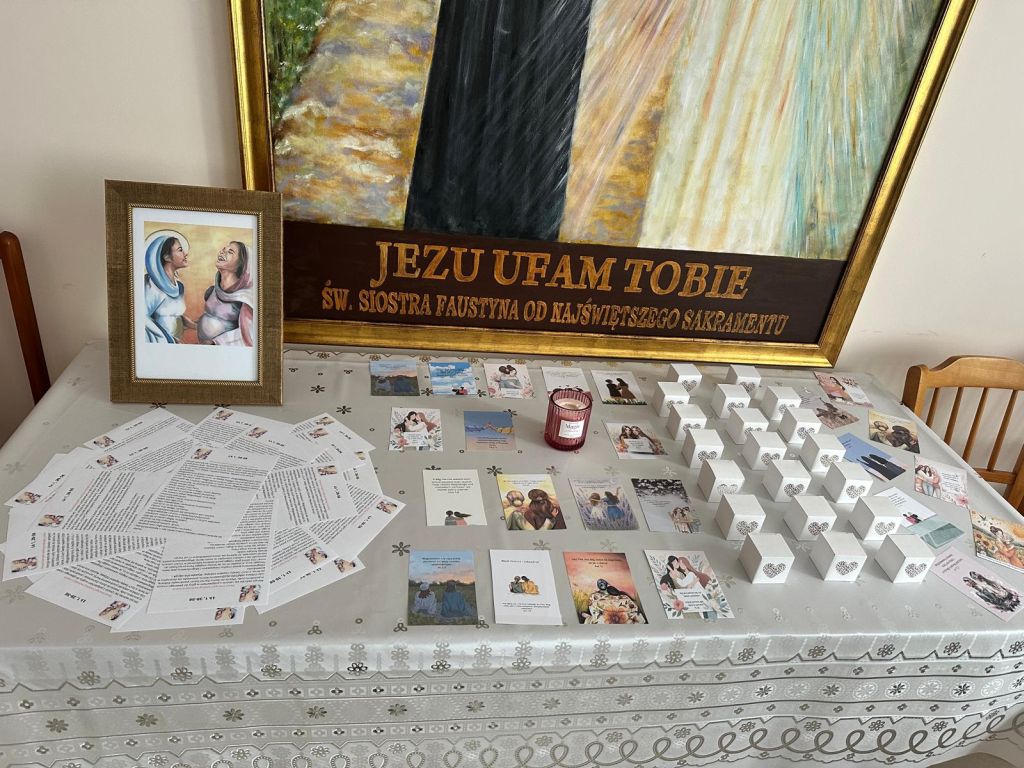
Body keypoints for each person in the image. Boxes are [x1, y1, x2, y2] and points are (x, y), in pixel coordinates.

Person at [197, 240, 255, 346]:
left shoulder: (245, 300)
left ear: (241, 264)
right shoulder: (213, 290)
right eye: (224, 249)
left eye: (230, 252)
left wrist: (215, 342)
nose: (222, 252)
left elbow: (248, 333)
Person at [143, 230, 195, 343]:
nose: (185, 253)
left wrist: (194, 325)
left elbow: (173, 314)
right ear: (167, 257)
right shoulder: (152, 284)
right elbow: (142, 317)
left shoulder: (179, 287)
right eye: (180, 250)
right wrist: (168, 338)